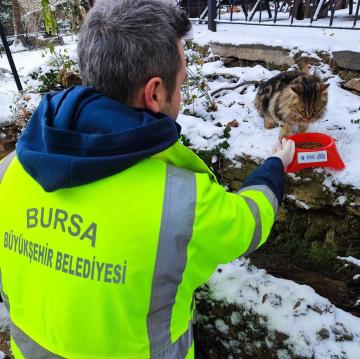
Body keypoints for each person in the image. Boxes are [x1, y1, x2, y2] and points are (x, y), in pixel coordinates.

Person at [0, 0, 295, 358]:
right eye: (182, 83)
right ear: (155, 93)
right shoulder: (182, 200)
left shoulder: (11, 170)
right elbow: (248, 222)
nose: (182, 96)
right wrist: (274, 167)